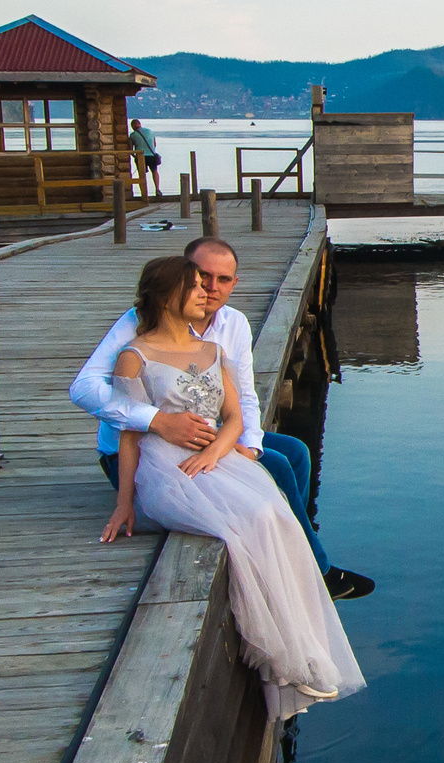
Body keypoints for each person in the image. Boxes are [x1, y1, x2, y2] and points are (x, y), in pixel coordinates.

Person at [98, 256, 364, 718]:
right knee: (247, 526)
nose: (206, 293)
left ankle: (307, 653)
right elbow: (127, 434)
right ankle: (283, 659)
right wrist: (125, 504)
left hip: (212, 453)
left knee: (276, 515)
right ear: (167, 298)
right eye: (195, 286)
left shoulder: (213, 348)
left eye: (211, 284)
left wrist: (217, 452)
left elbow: (236, 415)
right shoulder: (132, 355)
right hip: (164, 464)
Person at [70, 234, 376, 599]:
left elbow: (244, 396)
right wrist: (156, 420)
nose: (210, 288)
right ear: (180, 277)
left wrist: (249, 445)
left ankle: (298, 543)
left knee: (293, 452)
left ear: (234, 284)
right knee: (276, 466)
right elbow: (84, 388)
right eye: (202, 276)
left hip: (205, 434)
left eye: (223, 280)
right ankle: (316, 571)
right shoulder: (140, 323)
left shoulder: (232, 325)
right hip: (140, 453)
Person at [128, 117, 163, 195]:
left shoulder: (133, 135)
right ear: (140, 124)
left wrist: (134, 156)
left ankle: (144, 193)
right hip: (151, 155)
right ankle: (157, 189)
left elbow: (131, 149)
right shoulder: (150, 131)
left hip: (141, 157)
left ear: (132, 126)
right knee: (154, 171)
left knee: (142, 174)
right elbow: (154, 144)